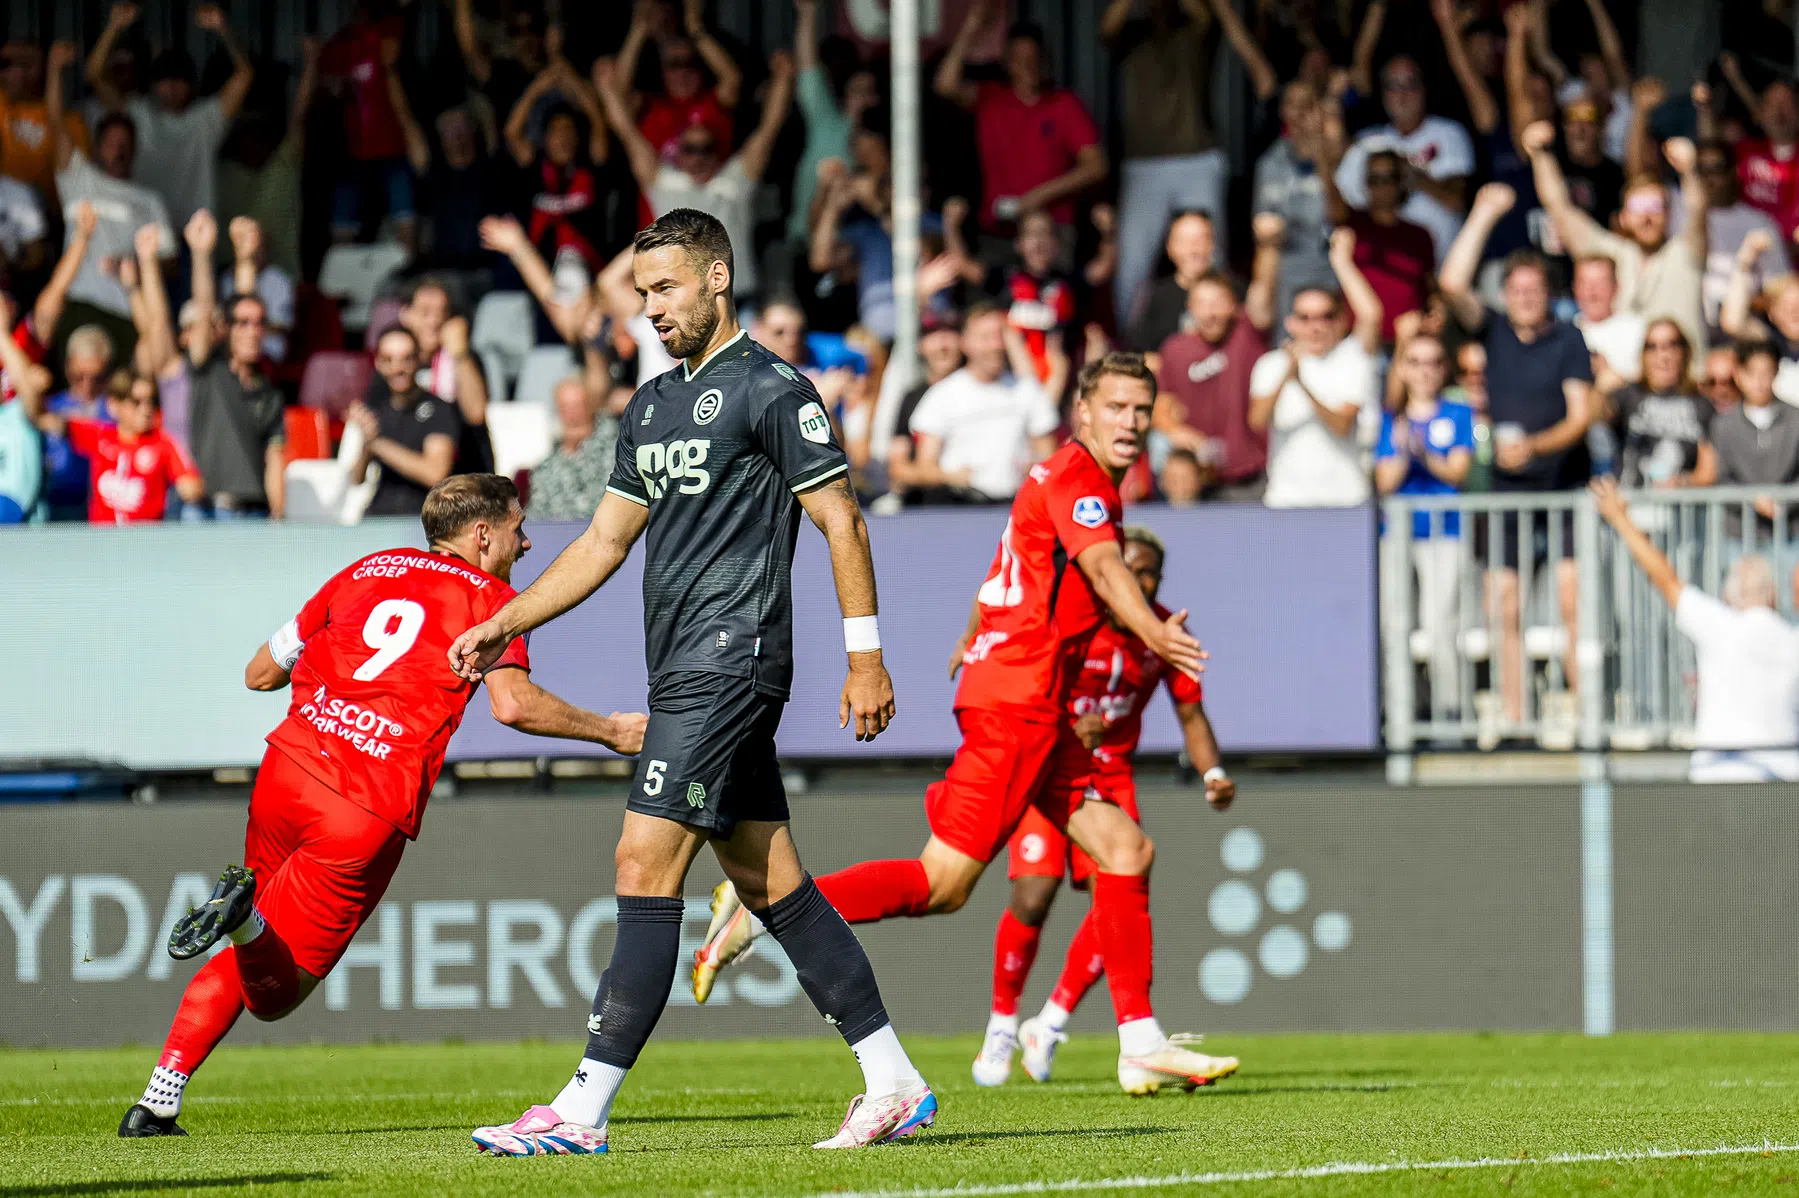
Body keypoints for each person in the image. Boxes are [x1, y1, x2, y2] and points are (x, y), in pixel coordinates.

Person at [453, 208, 931, 1154]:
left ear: (718, 278)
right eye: (641, 294)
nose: (651, 309)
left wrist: (865, 657)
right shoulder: (650, 407)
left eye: (665, 287)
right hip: (679, 667)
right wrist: (506, 617)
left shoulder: (771, 388)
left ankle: (581, 1111)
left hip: (730, 658)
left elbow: (841, 518)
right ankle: (894, 1081)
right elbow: (602, 542)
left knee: (641, 861)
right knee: (769, 882)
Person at [695, 352, 1234, 1099]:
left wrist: (974, 635)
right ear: (1082, 412)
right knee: (941, 885)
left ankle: (1139, 1042)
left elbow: (1008, 572)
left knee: (1125, 849)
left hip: (1029, 700)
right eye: (1116, 407)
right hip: (1020, 704)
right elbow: (1106, 570)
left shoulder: (1058, 479)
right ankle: (764, 909)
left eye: (1141, 410)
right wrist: (1153, 632)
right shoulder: (1080, 481)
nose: (1131, 423)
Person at [115, 474, 646, 1137]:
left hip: (286, 773)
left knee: (260, 934)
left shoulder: (366, 568)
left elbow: (260, 672)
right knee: (275, 990)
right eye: (519, 528)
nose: (527, 542)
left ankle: (157, 1101)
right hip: (363, 805)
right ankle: (242, 921)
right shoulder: (492, 601)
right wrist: (610, 731)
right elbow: (514, 706)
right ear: (482, 534)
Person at [973, 527, 1234, 1086]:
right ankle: (1002, 1025)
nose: (1140, 583)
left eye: (1150, 574)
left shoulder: (1163, 631)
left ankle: (1051, 1023)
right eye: (1129, 571)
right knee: (1032, 895)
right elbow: (1019, 686)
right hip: (1052, 766)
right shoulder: (1070, 620)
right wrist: (1068, 727)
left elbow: (1191, 713)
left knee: (1116, 899)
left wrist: (1213, 773)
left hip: (1112, 777)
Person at [1439, 183, 1594, 722]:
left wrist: (1534, 446)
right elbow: (1451, 283)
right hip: (1507, 496)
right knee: (1504, 607)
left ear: (1548, 293)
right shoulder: (1495, 330)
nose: (1526, 298)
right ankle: (1515, 716)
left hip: (1563, 488)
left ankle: (1585, 715)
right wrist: (1482, 214)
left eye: (1534, 289)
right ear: (1505, 294)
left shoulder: (1568, 339)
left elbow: (1580, 416)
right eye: (1517, 289)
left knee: (1574, 603)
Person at [1592, 476, 1799, 783]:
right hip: (1782, 784)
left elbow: (1663, 576)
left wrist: (1620, 518)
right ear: (1773, 596)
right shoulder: (1791, 640)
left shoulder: (1718, 625)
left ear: (1729, 596)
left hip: (1719, 778)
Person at [1103, 0, 1264, 316]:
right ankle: (1132, 338)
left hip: (1197, 156)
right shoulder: (1132, 33)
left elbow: (1207, 14)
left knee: (1210, 254)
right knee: (1132, 264)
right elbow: (1107, 28)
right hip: (1143, 162)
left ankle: (1217, 330)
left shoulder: (1193, 27)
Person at [595, 52, 794, 304]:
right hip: (681, 307)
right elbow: (627, 132)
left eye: (706, 149)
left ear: (718, 153)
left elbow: (769, 129)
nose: (699, 157)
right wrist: (606, 88)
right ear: (678, 154)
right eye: (690, 150)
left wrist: (784, 79)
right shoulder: (665, 183)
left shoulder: (736, 181)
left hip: (737, 301)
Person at [1527, 121, 1708, 357]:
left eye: (1655, 206)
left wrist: (1690, 171)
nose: (1647, 216)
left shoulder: (1686, 252)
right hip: (1624, 377)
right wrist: (1540, 155)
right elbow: (1559, 209)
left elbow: (1698, 211)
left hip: (1689, 376)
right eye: (1638, 207)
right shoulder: (1610, 254)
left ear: (1668, 214)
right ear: (1623, 217)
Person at [936, 3, 1106, 245]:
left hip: (1052, 230)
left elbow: (1096, 166)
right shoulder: (991, 99)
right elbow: (945, 85)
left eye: (1033, 59)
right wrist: (971, 26)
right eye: (1019, 59)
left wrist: (1039, 196)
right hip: (999, 230)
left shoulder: (1064, 105)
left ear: (1045, 61)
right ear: (1007, 63)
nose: (1028, 66)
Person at [85, 2, 252, 231]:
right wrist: (113, 26)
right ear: (152, 85)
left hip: (195, 234)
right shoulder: (138, 114)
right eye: (164, 79)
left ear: (192, 85)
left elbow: (245, 75)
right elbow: (94, 74)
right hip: (147, 230)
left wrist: (224, 28)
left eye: (179, 79)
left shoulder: (205, 119)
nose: (172, 87)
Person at [1249, 228, 1383, 509]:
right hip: (1286, 501)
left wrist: (1341, 262)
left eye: (1326, 316)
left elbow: (1342, 425)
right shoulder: (1271, 364)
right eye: (1305, 317)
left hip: (1346, 501)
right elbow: (1257, 421)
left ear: (1341, 321)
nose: (1316, 326)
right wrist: (1286, 375)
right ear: (1290, 323)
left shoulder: (1352, 358)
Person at [1376, 329, 1476, 703]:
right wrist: (1405, 452)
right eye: (1415, 362)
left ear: (1444, 368)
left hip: (1445, 532)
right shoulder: (1391, 418)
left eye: (1433, 363)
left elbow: (1458, 471)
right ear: (1402, 369)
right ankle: (1399, 706)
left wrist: (1424, 453)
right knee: (1394, 623)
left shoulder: (1458, 412)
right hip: (1397, 534)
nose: (1424, 371)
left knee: (1441, 624)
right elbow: (1384, 481)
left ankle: (1449, 710)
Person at [1152, 212, 1280, 501]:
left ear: (1234, 306)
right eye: (1201, 304)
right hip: (1197, 481)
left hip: (1250, 476)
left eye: (1218, 303)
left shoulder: (1247, 333)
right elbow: (1159, 403)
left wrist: (1268, 247)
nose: (1209, 312)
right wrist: (1175, 430)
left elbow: (1262, 290)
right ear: (1190, 309)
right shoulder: (1174, 349)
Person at [48, 40, 175, 326]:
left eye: (125, 144)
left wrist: (135, 266)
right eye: (111, 143)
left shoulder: (149, 199)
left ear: (135, 150)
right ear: (96, 148)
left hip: (130, 312)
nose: (119, 150)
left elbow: (171, 263)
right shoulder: (78, 177)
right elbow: (55, 122)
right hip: (79, 305)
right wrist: (54, 70)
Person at [181, 209, 284, 519]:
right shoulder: (208, 369)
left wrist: (279, 520)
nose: (253, 331)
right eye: (242, 324)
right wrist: (202, 254)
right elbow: (205, 308)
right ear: (224, 329)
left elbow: (275, 460)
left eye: (259, 324)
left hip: (254, 515)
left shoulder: (268, 392)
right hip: (207, 512)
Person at [905, 301, 1060, 503]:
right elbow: (924, 466)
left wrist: (1035, 467)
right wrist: (949, 476)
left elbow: (1048, 452)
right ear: (965, 343)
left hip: (1015, 504)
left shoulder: (1027, 390)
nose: (995, 346)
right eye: (986, 338)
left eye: (999, 336)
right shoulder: (942, 395)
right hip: (960, 504)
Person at [1333, 54, 1475, 264]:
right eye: (1393, 85)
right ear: (1383, 93)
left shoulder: (1449, 133)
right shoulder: (1367, 143)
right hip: (1391, 266)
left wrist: (1410, 174)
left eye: (1411, 83)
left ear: (1424, 88)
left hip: (1448, 264)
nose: (1403, 93)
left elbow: (1457, 201)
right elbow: (1346, 205)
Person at [33, 367, 202, 523]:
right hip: (102, 540)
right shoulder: (100, 436)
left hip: (144, 541)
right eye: (136, 402)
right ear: (114, 405)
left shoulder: (162, 443)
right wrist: (35, 391)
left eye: (151, 401)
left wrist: (187, 487)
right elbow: (42, 418)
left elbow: (191, 486)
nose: (146, 409)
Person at [788, 0, 879, 245]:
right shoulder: (826, 123)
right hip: (806, 240)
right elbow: (808, 68)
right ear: (845, 94)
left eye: (869, 92)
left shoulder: (879, 142)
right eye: (857, 91)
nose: (863, 99)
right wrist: (808, 13)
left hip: (857, 245)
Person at [349, 327, 459, 519]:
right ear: (378, 363)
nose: (398, 368)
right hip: (377, 516)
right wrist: (366, 443)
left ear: (419, 360)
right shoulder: (377, 408)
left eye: (406, 359)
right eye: (388, 360)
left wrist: (377, 444)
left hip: (424, 518)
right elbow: (356, 479)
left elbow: (435, 473)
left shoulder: (439, 410)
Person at [1254, 82, 1335, 327]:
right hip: (1286, 268)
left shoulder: (1338, 154)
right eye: (1292, 105)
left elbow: (1342, 218)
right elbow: (1261, 228)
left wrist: (1322, 154)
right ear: (1282, 110)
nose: (1299, 114)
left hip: (1330, 266)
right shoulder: (1269, 162)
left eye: (1307, 106)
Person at [1605, 320, 1715, 491]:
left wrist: (1683, 482)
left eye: (1672, 345)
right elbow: (1596, 415)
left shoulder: (1701, 404)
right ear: (1643, 355)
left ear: (1685, 351)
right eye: (1652, 347)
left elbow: (1707, 472)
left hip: (1679, 504)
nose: (1663, 356)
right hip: (1631, 500)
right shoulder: (1629, 395)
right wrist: (1600, 390)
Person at [399, 278, 492, 475]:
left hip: (464, 473)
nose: (434, 322)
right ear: (405, 314)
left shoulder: (466, 359)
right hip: (410, 475)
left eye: (442, 313)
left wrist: (460, 355)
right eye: (425, 313)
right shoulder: (395, 362)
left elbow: (476, 413)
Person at [1711, 339, 1799, 540]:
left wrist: (1784, 501)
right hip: (1739, 536)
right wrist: (1752, 499)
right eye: (1751, 373)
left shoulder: (1795, 419)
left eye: (1765, 373)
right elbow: (1722, 477)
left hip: (1790, 533)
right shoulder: (1723, 425)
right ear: (1738, 374)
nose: (1759, 382)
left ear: (1776, 372)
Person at [0, 40, 89, 203]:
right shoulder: (3, 106)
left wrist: (52, 64)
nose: (5, 74)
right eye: (4, 65)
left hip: (52, 211)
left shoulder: (71, 122)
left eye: (24, 65)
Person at [1125, 210, 1218, 354]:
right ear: (1169, 247)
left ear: (1213, 244)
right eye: (1184, 241)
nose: (1193, 249)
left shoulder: (1233, 291)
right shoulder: (1153, 298)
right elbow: (1142, 354)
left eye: (1201, 239)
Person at [528, 375, 617, 520]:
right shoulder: (546, 469)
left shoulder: (616, 453)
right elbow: (536, 516)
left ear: (590, 406)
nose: (572, 415)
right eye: (565, 407)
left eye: (578, 406)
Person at [1572, 256, 1645, 390]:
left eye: (1601, 283)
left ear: (1616, 287)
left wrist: (1611, 375)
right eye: (1585, 283)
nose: (1592, 292)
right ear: (1574, 288)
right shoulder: (1563, 333)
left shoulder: (1638, 330)